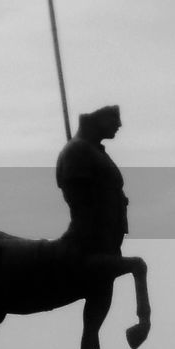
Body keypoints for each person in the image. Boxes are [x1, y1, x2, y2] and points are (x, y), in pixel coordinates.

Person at [55, 105, 128, 256]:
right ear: (98, 119)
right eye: (113, 117)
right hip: (89, 241)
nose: (119, 124)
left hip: (107, 240)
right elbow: (81, 201)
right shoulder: (78, 150)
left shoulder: (92, 151)